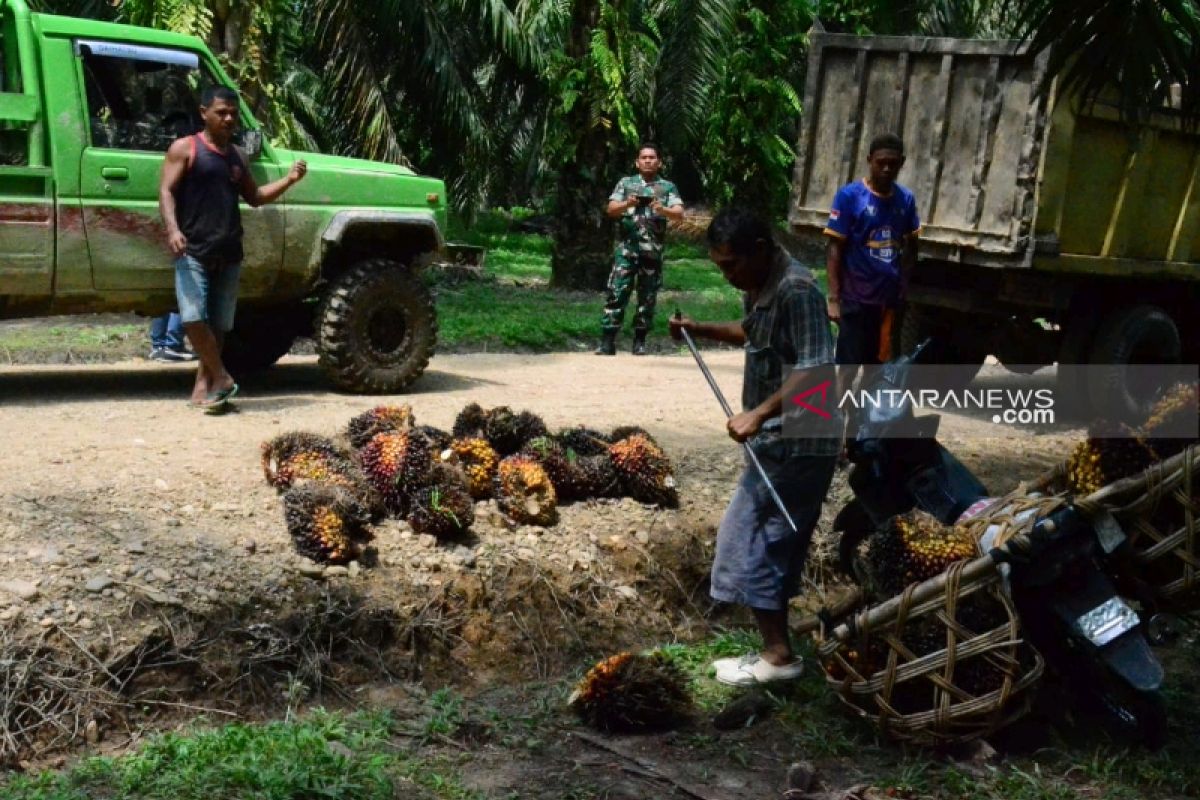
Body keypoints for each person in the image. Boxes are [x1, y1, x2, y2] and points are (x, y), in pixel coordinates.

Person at [670, 208, 839, 686]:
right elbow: (753, 333)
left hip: (801, 441)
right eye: (720, 268)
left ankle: (779, 656)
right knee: (757, 537)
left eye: (731, 266)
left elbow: (817, 369)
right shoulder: (761, 287)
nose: (727, 277)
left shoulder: (798, 290)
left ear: (760, 251)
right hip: (777, 443)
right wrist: (698, 328)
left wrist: (759, 413)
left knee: (757, 538)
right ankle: (776, 649)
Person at [158, 85, 306, 409]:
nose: (228, 119)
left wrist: (290, 180)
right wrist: (172, 230)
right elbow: (166, 191)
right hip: (192, 249)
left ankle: (204, 387)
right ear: (204, 113)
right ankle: (223, 377)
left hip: (229, 250)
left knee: (220, 324)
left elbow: (255, 198)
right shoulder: (185, 149)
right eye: (221, 112)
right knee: (193, 318)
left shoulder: (237, 156)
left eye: (233, 114)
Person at [823, 132, 920, 413]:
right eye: (881, 163)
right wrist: (834, 297)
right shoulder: (850, 197)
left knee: (876, 369)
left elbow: (912, 245)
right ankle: (836, 432)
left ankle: (861, 432)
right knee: (848, 369)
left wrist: (903, 286)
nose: (886, 169)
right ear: (869, 161)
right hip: (856, 300)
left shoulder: (905, 200)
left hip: (887, 305)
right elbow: (834, 249)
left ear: (902, 163)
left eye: (893, 163)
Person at [595, 142, 685, 356]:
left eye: (652, 157)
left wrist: (662, 209)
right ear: (637, 162)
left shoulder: (667, 187)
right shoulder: (626, 183)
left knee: (647, 298)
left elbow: (679, 214)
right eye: (643, 157)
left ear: (659, 162)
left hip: (651, 253)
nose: (648, 161)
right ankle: (608, 341)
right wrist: (628, 204)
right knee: (616, 293)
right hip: (626, 251)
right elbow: (611, 209)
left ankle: (640, 341)